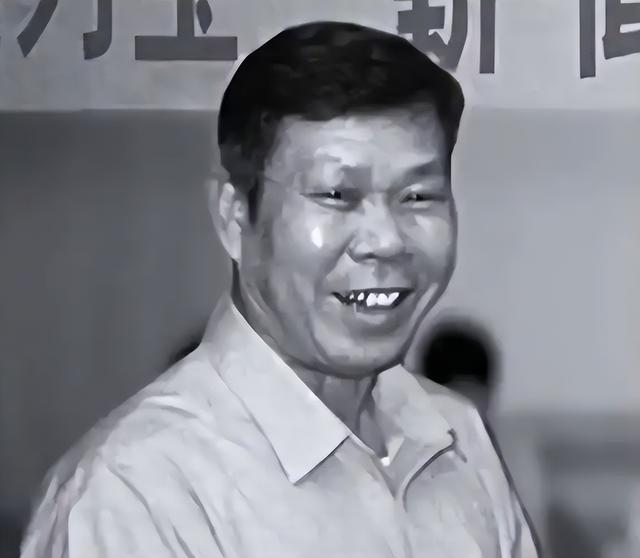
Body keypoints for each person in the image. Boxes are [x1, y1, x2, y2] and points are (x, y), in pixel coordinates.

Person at [21, 21, 539, 558]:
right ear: (234, 217)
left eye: (418, 196)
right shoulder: (137, 495)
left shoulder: (458, 438)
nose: (386, 241)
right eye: (337, 195)